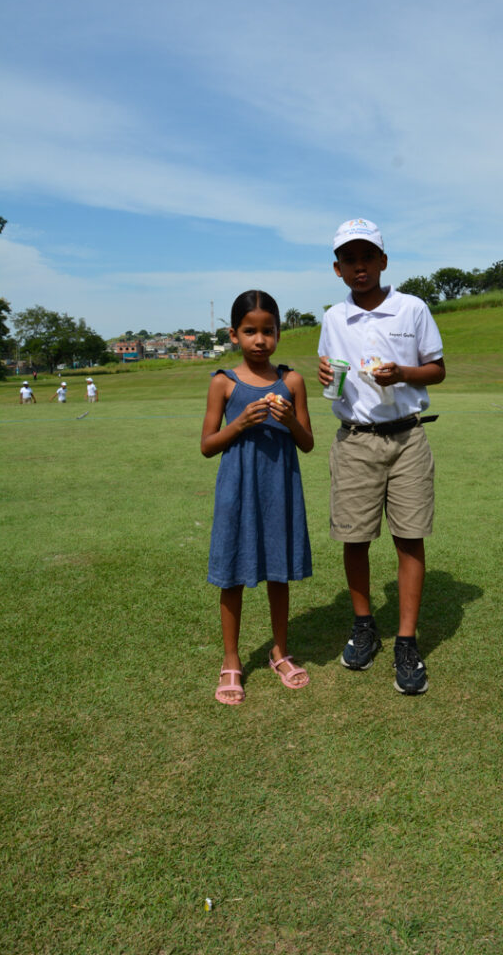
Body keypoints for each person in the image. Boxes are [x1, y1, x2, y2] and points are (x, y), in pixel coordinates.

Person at [318, 218, 446, 695]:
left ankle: (406, 642)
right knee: (355, 538)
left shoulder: (412, 308)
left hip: (408, 436)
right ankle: (364, 625)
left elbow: (437, 370)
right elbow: (333, 379)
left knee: (410, 537)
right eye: (349, 259)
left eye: (367, 257)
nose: (360, 267)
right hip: (355, 439)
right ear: (337, 268)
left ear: (383, 261)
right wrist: (325, 377)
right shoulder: (333, 319)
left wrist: (403, 374)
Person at [201, 289, 314, 706]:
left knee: (278, 571)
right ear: (234, 335)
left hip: (279, 488)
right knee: (232, 573)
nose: (260, 340)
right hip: (237, 488)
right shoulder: (223, 383)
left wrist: (288, 420)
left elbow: (307, 443)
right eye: (250, 331)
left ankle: (279, 652)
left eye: (268, 331)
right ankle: (231, 659)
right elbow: (207, 445)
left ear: (279, 334)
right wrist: (240, 423)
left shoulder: (292, 382)